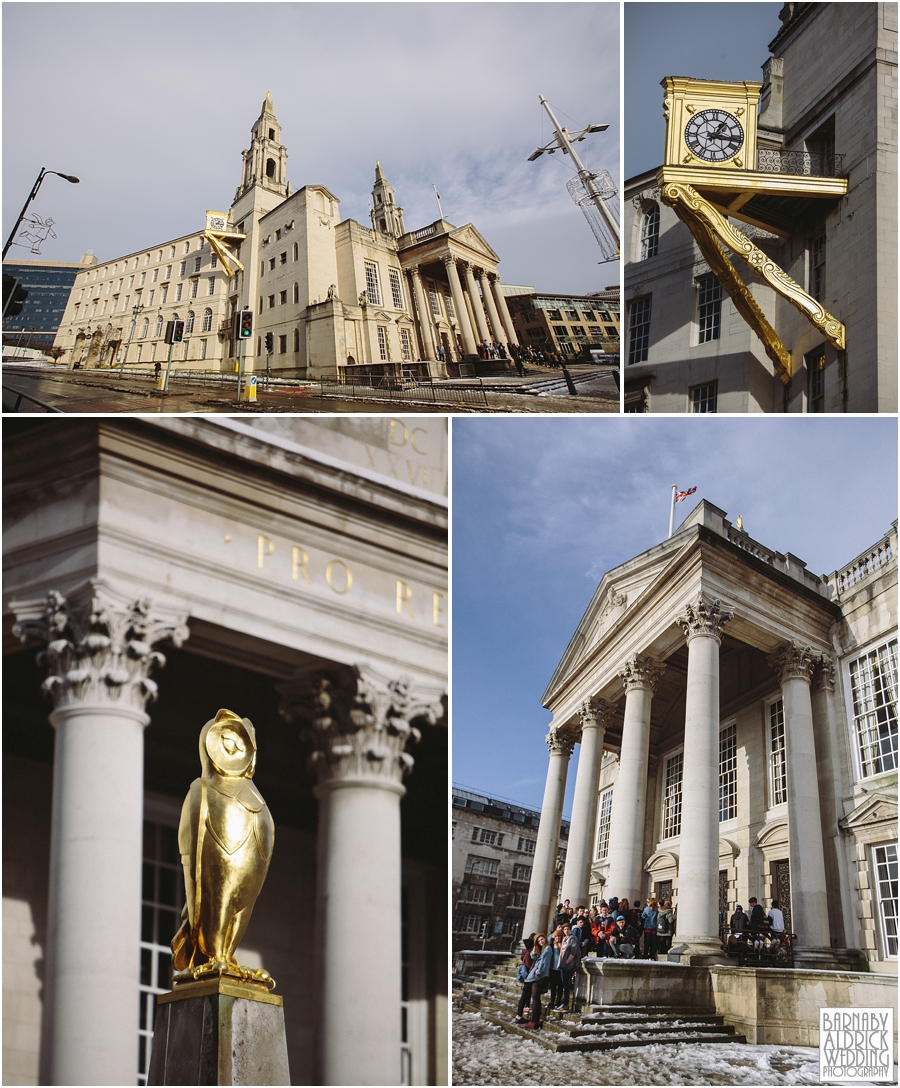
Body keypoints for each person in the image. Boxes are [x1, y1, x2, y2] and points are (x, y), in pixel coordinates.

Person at [516, 933, 552, 1029]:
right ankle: (534, 1020)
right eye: (539, 940)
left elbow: (544, 962)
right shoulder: (542, 949)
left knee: (536, 998)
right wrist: (534, 951)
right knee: (535, 997)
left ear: (545, 939)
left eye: (542, 939)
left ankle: (534, 1021)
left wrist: (538, 971)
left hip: (539, 975)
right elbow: (534, 958)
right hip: (535, 975)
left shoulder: (547, 949)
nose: (541, 941)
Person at [555, 923, 581, 1011]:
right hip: (563, 965)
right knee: (564, 984)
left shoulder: (572, 938)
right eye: (565, 929)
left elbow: (574, 952)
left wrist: (567, 961)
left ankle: (565, 1003)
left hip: (568, 965)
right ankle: (563, 1003)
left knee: (566, 984)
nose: (566, 931)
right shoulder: (564, 939)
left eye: (568, 929)